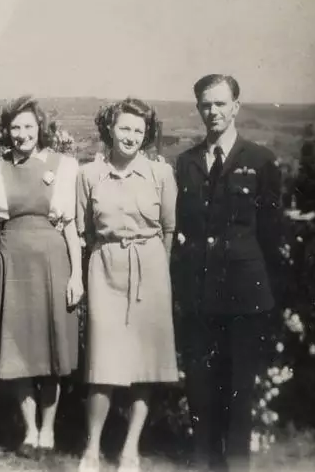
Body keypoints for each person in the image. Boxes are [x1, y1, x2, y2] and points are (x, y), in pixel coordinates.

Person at [171, 74, 283, 472]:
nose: (212, 112)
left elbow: (272, 237)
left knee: (239, 390)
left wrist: (272, 298)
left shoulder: (261, 161)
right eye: (205, 104)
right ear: (198, 108)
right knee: (200, 389)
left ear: (236, 106)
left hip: (245, 296)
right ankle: (204, 464)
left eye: (220, 103)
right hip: (200, 294)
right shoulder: (185, 164)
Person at [76, 98, 180, 472]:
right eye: (125, 128)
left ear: (147, 135)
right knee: (102, 364)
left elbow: (168, 228)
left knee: (144, 364)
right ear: (110, 129)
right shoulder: (90, 175)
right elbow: (84, 230)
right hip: (105, 269)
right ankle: (91, 449)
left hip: (150, 272)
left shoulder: (160, 174)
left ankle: (130, 449)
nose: (131, 136)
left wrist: (159, 270)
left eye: (139, 130)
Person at [0, 96, 84, 458]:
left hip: (52, 266)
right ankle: (28, 431)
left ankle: (48, 431)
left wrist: (77, 276)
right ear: (6, 131)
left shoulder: (62, 165)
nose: (22, 134)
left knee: (51, 351)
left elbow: (70, 226)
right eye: (15, 127)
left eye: (28, 126)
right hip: (12, 266)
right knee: (19, 351)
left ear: (39, 128)